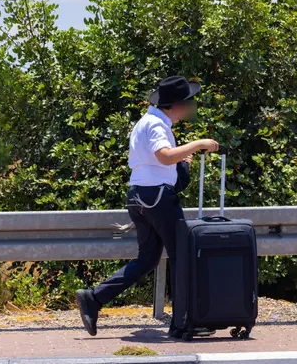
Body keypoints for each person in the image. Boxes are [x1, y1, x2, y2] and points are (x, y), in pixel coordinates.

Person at [76, 76, 219, 339]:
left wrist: (182, 162)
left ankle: (94, 298)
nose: (189, 109)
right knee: (181, 256)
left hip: (138, 197)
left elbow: (160, 163)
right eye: (187, 103)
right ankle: (182, 323)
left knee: (148, 258)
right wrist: (198, 143)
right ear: (175, 105)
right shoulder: (156, 125)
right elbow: (163, 157)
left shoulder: (147, 122)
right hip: (157, 198)